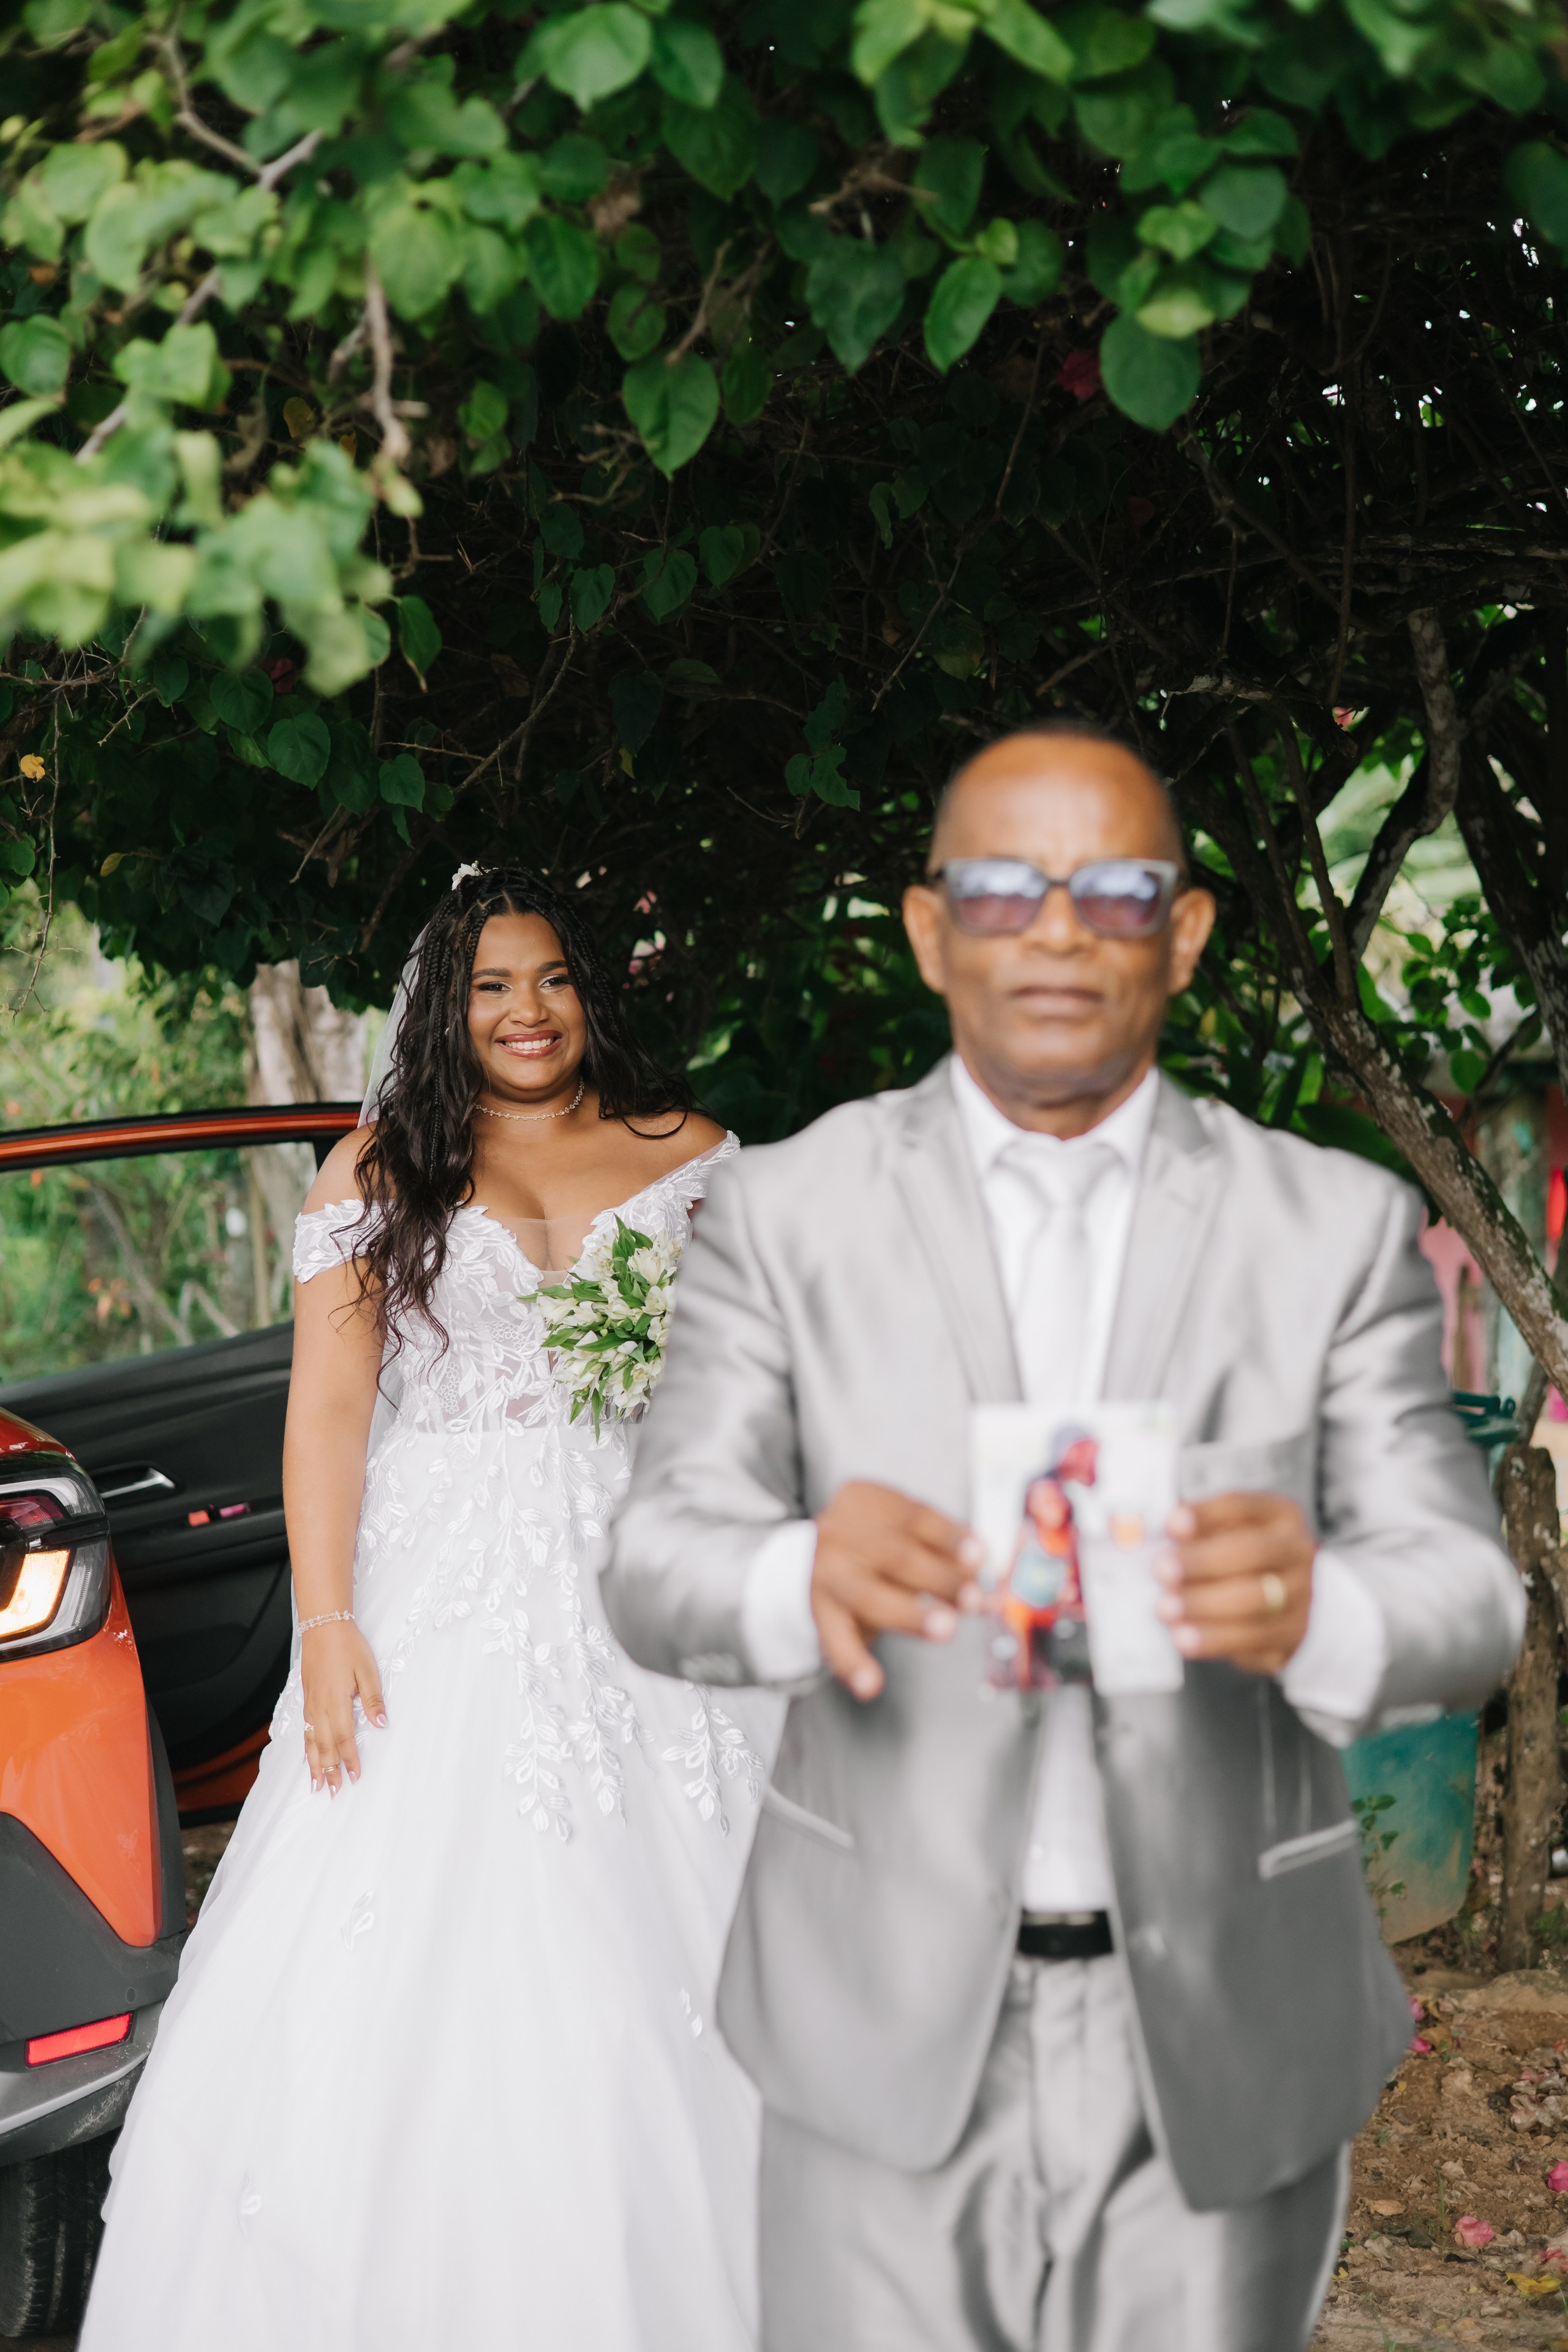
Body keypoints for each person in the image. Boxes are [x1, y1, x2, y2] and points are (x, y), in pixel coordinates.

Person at [601, 727, 1525, 2352]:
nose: (1053, 929)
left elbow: (1464, 1600)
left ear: (1182, 932)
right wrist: (795, 1567)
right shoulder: (784, 1212)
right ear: (928, 927)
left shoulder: (1330, 1224)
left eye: (1111, 890)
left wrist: (1318, 1609)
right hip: (870, 2015)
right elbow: (658, 1561)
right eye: (1002, 888)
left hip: (1231, 2022)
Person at [81, 865, 778, 2352]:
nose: (526, 1014)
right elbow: (326, 1421)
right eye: (490, 987)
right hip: (443, 1596)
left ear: (593, 991)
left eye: (552, 980)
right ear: (444, 1010)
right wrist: (325, 1630)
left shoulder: (695, 1153)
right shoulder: (375, 1178)